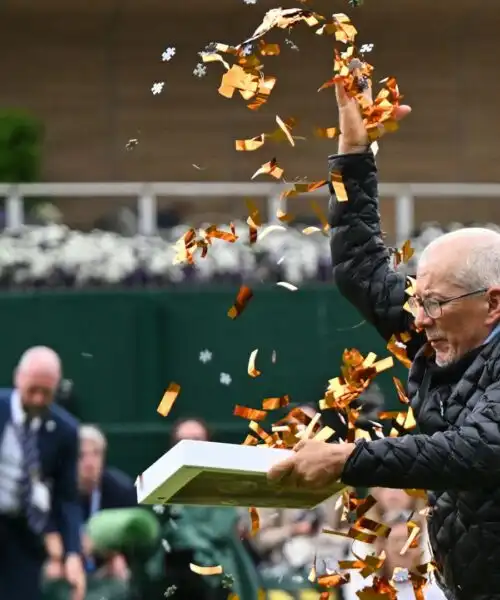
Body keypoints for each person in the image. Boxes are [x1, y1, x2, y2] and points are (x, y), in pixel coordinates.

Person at [268, 81, 500, 600]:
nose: (417, 318)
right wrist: (354, 153)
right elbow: (361, 271)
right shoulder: (438, 318)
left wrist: (346, 460)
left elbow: (474, 451)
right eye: (416, 298)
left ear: (494, 304)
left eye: (432, 304)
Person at [0, 346, 85, 600]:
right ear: (18, 378)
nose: (38, 399)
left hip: (23, 531)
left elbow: (67, 497)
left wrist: (72, 553)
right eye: (32, 390)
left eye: (46, 393)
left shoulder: (65, 431)